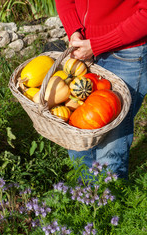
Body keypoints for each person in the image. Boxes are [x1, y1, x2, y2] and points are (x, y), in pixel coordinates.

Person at [55, 0, 147, 180]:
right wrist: (74, 30)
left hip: (126, 51)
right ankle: (85, 198)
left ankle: (108, 202)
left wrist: (99, 44)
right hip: (83, 47)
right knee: (77, 130)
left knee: (112, 138)